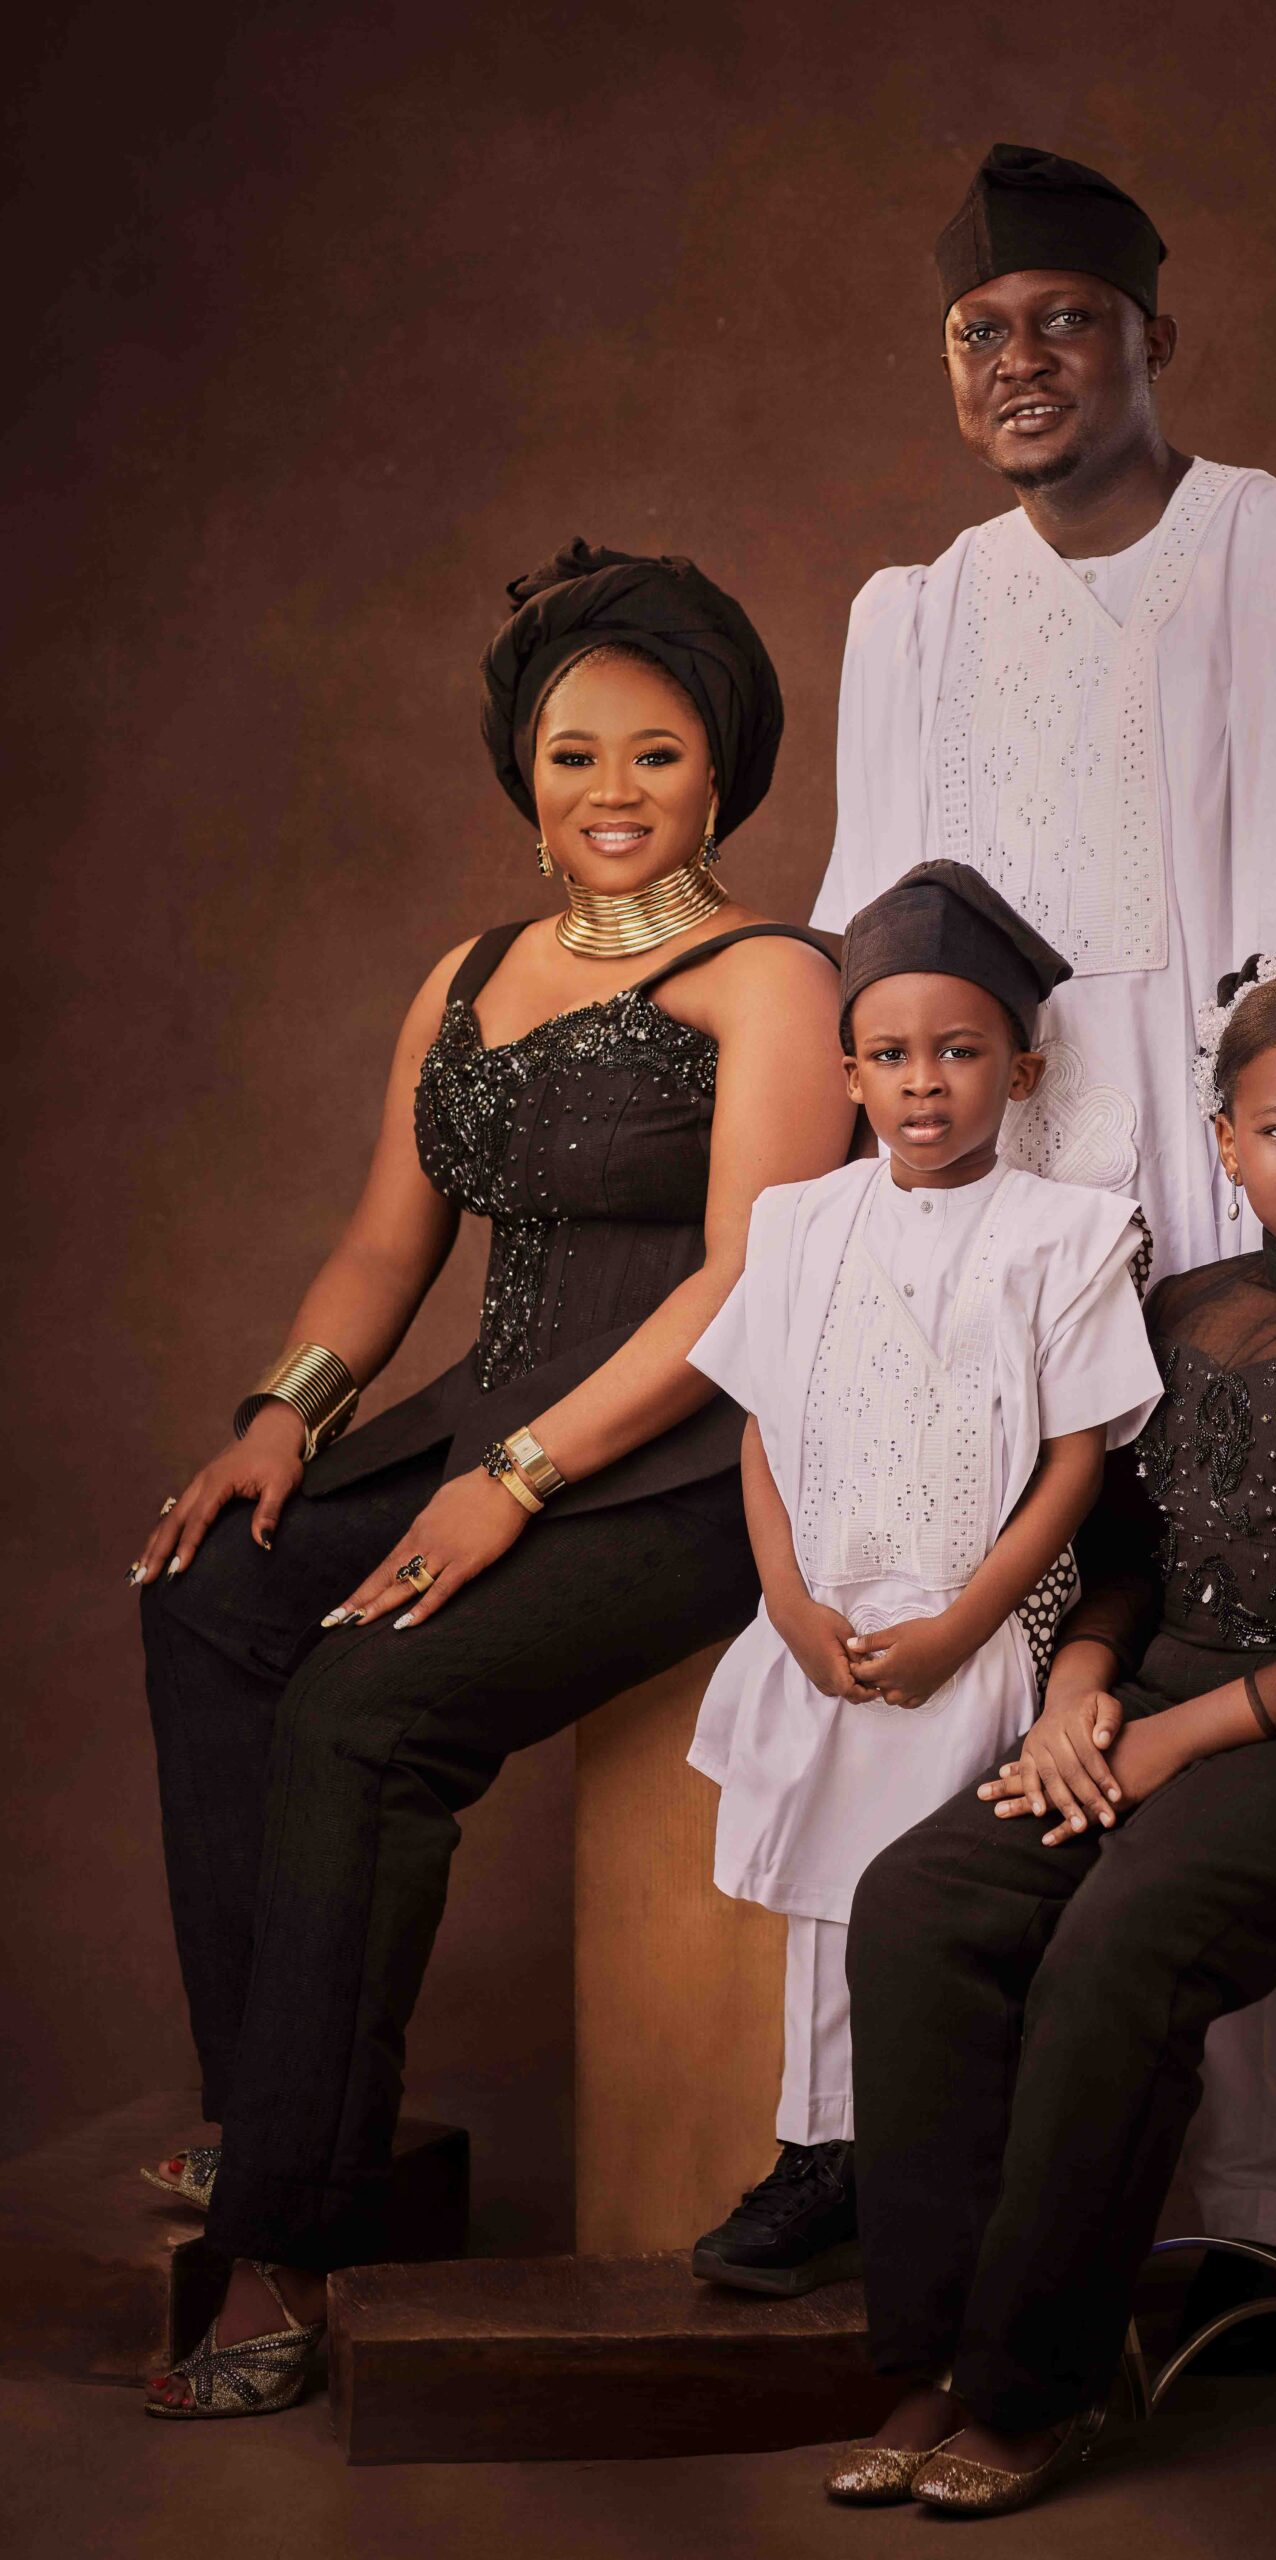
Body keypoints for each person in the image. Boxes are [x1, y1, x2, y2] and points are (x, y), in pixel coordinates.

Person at [811, 138, 1276, 2289]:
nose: (1021, 359)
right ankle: (942, 2170)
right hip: (1007, 1198)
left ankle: (1255, 2210)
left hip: (1257, 1186)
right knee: (997, 1649)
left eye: (1066, 320)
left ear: (1151, 337)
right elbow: (870, 965)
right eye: (980, 330)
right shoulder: (914, 618)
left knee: (1249, 1632)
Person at [129, 539, 853, 2417]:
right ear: (523, 777)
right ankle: (265, 2107)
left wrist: (515, 1478)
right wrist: (282, 1414)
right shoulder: (464, 976)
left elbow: (749, 1285)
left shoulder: (775, 978)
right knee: (211, 1594)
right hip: (480, 1428)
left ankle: (290, 2243)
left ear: (723, 771)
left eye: (657, 754)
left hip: (691, 1463)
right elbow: (388, 1244)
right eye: (572, 755)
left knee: (361, 1714)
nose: (613, 792)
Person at [832, 952, 1276, 2515]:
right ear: (1227, 1145)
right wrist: (1083, 1686)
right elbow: (1128, 1558)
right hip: (1168, 1698)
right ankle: (936, 2355)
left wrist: (1172, 1743)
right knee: (920, 1902)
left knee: (1125, 1936)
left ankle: (1037, 2390)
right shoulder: (1184, 1310)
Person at [685, 863, 1163, 2295]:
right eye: (890, 1056)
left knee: (936, 1907)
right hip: (827, 1625)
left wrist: (965, 1624)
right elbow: (760, 1424)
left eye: (959, 1052)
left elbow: (1076, 1459)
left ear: (1021, 1069)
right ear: (848, 1073)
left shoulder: (1070, 1237)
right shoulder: (799, 1224)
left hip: (971, 1629)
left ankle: (937, 2173)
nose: (924, 1085)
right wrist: (786, 1601)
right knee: (825, 1910)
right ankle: (819, 2154)